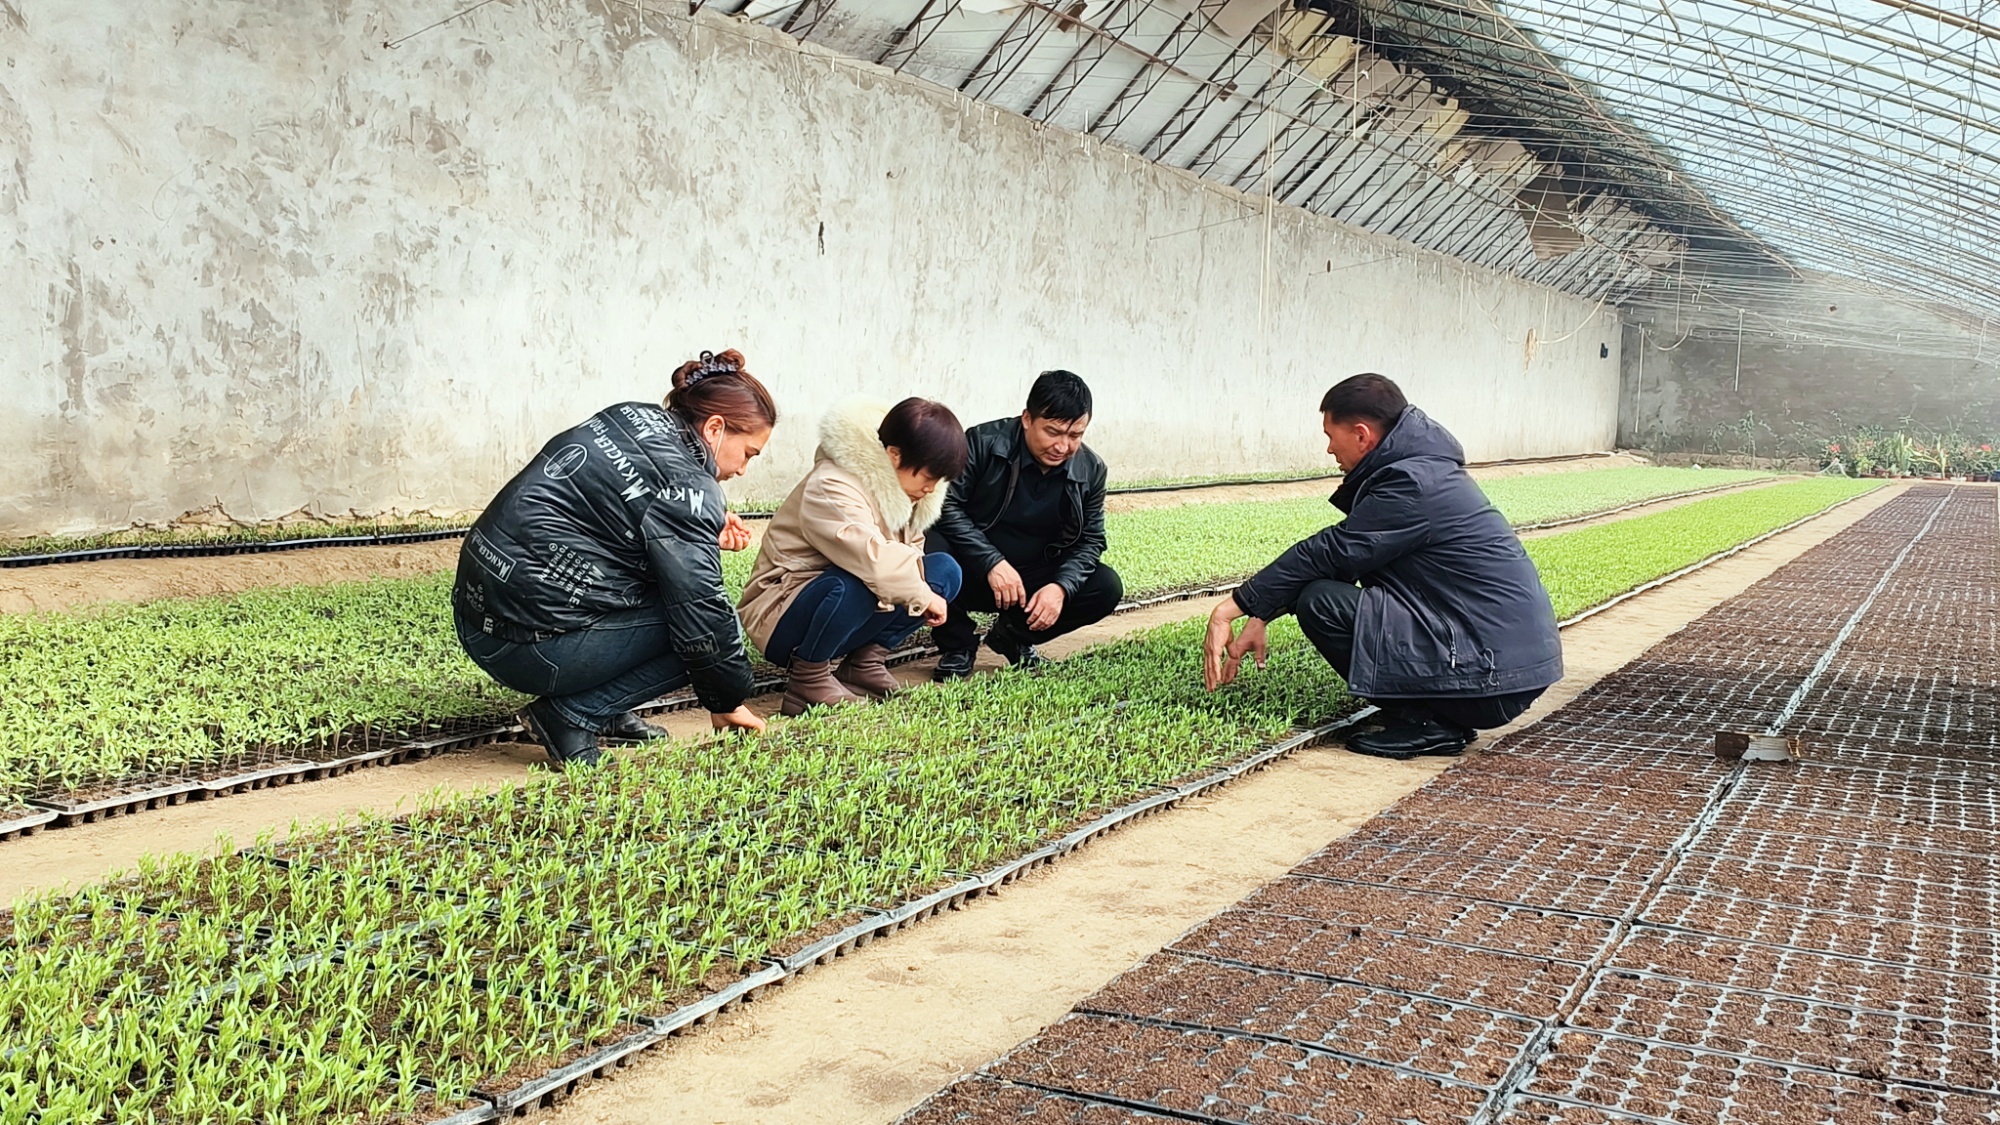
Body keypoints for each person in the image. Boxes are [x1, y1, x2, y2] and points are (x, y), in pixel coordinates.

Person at [1203, 373, 1563, 759]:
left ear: (1361, 435)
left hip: (1492, 676)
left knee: (1321, 602)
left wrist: (1231, 608)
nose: (1328, 449)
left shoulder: (1413, 484)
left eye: (1330, 435)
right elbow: (1347, 556)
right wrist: (1260, 614)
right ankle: (1437, 716)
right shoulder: (1421, 470)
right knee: (1323, 589)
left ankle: (1428, 724)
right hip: (1501, 666)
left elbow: (1332, 552)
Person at [452, 349, 773, 768]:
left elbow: (613, 527)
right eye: (748, 452)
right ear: (715, 428)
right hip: (525, 651)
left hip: (474, 619)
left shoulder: (629, 416)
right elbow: (703, 613)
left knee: (678, 603)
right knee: (706, 632)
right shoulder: (688, 487)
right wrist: (727, 698)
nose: (743, 469)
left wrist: (701, 528)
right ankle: (569, 716)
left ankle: (606, 708)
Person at [737, 396, 968, 716]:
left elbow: (912, 553)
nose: (931, 489)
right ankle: (809, 678)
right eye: (927, 477)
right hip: (782, 613)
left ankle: (865, 664)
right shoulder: (832, 483)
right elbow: (868, 558)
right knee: (858, 579)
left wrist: (924, 588)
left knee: (943, 570)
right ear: (894, 455)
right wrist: (920, 593)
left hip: (841, 605)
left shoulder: (907, 491)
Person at [928, 370, 1122, 680]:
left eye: (1075, 436)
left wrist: (1060, 588)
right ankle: (958, 645)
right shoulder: (981, 442)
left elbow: (1091, 540)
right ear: (1027, 419)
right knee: (928, 548)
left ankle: (1014, 636)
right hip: (970, 568)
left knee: (1105, 586)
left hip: (1031, 578)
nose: (1063, 446)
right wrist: (992, 562)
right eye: (1053, 432)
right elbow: (945, 506)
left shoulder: (1092, 469)